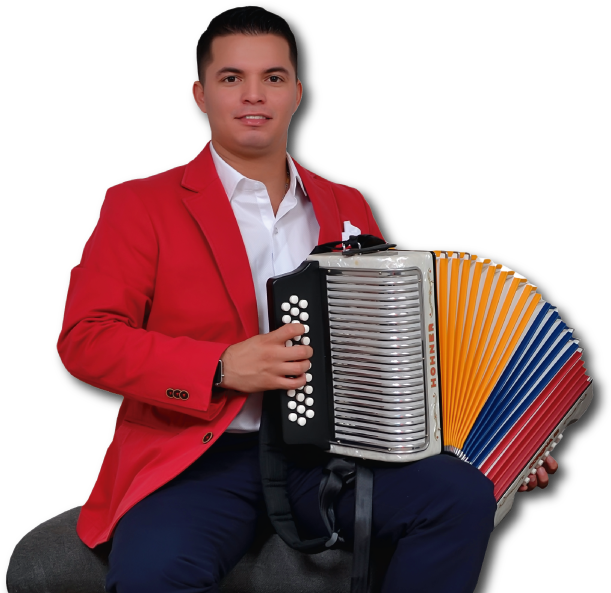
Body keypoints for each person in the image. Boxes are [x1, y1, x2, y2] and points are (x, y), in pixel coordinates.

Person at [57, 6, 558, 592]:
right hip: (197, 457)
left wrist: (495, 441)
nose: (253, 94)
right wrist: (221, 366)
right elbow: (85, 339)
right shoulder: (138, 203)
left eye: (272, 77)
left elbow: (397, 347)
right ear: (200, 94)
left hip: (330, 455)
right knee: (154, 573)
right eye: (231, 77)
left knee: (463, 496)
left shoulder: (347, 204)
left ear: (296, 92)